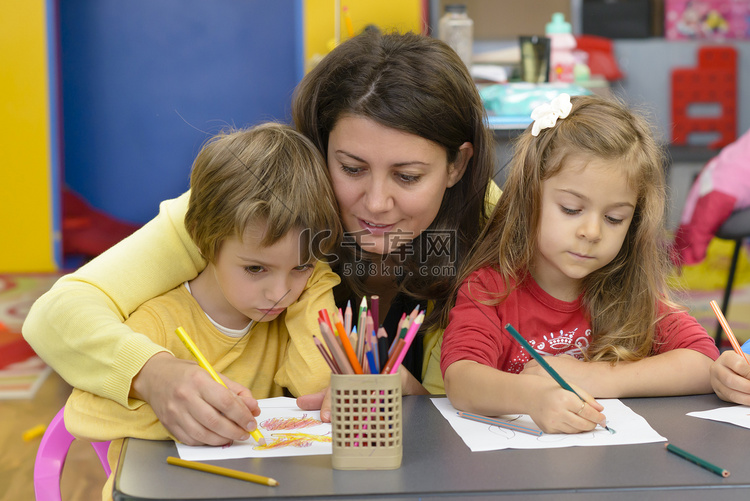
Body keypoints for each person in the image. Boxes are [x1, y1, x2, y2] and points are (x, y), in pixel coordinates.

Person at [23, 29, 499, 431]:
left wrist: (412, 392)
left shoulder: (492, 223)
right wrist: (153, 373)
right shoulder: (260, 205)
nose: (376, 202)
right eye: (351, 168)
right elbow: (58, 314)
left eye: (407, 176)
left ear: (457, 165)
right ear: (320, 147)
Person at [63, 122, 341, 499]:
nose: (279, 293)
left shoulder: (286, 314)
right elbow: (82, 414)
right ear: (202, 238)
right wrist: (191, 415)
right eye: (256, 268)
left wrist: (316, 284)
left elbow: (318, 388)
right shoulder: (157, 323)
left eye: (301, 266)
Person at [440, 94, 720, 434]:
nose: (591, 232)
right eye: (572, 209)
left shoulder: (626, 287)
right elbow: (462, 379)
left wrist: (591, 376)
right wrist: (532, 397)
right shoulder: (489, 289)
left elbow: (705, 361)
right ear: (530, 197)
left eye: (615, 218)